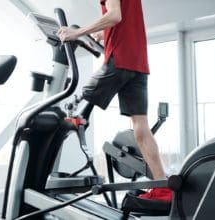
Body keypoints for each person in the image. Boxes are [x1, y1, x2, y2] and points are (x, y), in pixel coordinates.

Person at [57, 0, 172, 202]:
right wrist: (103, 34)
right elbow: (122, 21)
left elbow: (114, 15)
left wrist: (76, 33)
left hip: (119, 59)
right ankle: (163, 188)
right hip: (138, 63)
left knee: (76, 101)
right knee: (141, 128)